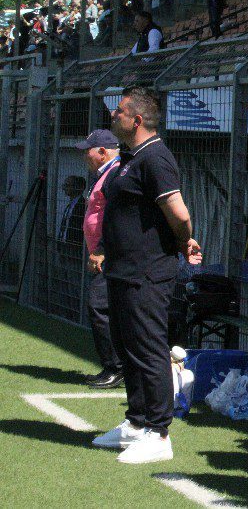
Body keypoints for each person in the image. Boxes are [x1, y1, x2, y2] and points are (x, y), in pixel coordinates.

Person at [91, 86, 202, 464]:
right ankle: (136, 424)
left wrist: (185, 241)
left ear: (137, 120)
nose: (113, 116)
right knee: (127, 348)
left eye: (119, 111)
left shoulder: (155, 158)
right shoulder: (129, 158)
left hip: (147, 273)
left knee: (148, 349)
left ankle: (159, 432)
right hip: (123, 272)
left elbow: (179, 213)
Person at [76, 130, 124, 389]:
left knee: (100, 307)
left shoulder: (114, 174)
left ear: (102, 151)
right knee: (104, 309)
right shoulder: (105, 175)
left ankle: (116, 367)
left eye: (88, 150)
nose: (85, 155)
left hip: (111, 256)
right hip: (106, 255)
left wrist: (102, 250)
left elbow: (116, 218)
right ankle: (112, 367)